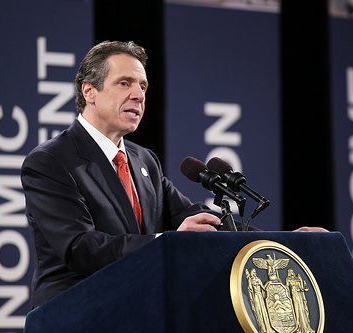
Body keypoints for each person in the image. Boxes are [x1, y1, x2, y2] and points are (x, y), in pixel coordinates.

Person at [21, 40, 326, 309]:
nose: (138, 95)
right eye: (125, 83)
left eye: (143, 86)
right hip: (75, 311)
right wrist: (166, 242)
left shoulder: (143, 160)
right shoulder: (50, 161)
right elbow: (80, 248)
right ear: (90, 91)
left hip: (140, 306)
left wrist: (284, 244)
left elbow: (199, 219)